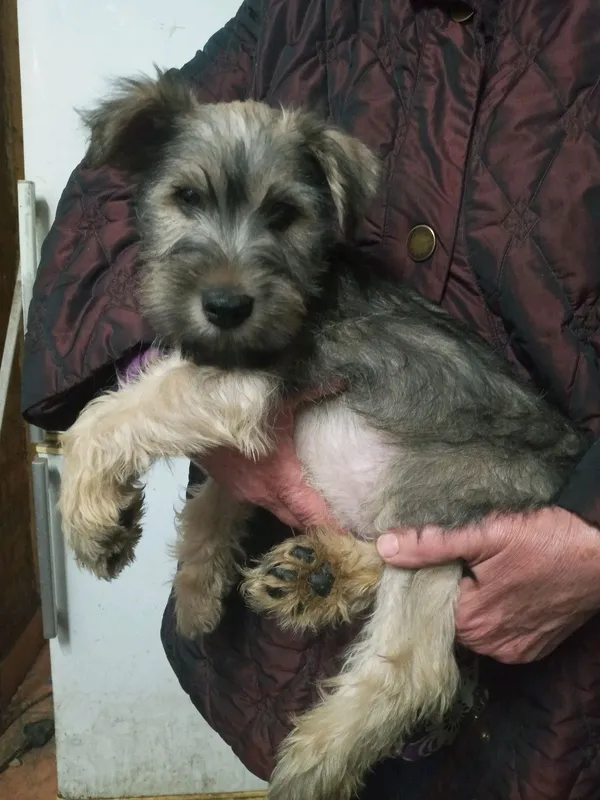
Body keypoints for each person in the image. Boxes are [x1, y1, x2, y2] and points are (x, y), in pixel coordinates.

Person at [21, 1, 600, 797]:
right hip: (330, 576)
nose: (227, 272)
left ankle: (374, 696)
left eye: (285, 214)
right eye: (189, 202)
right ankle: (352, 567)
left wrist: (98, 444)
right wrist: (203, 538)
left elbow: (234, 402)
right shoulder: (303, 13)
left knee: (427, 541)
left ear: (327, 210)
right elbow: (242, 417)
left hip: (515, 507)